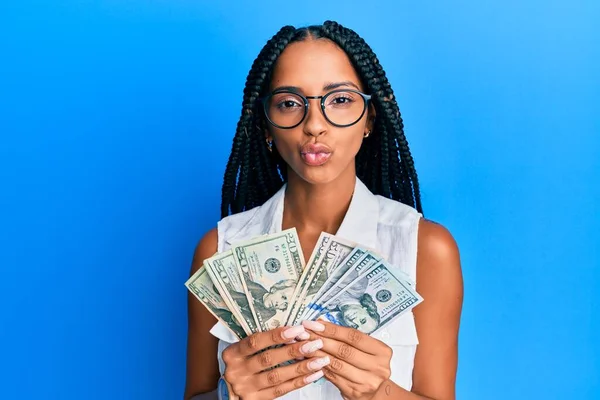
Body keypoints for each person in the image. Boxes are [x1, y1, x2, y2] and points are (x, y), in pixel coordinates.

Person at [185, 20, 463, 400]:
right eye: (288, 103)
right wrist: (226, 396)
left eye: (341, 100)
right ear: (266, 126)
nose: (315, 125)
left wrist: (378, 393)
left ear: (369, 118)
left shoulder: (427, 249)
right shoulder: (219, 249)